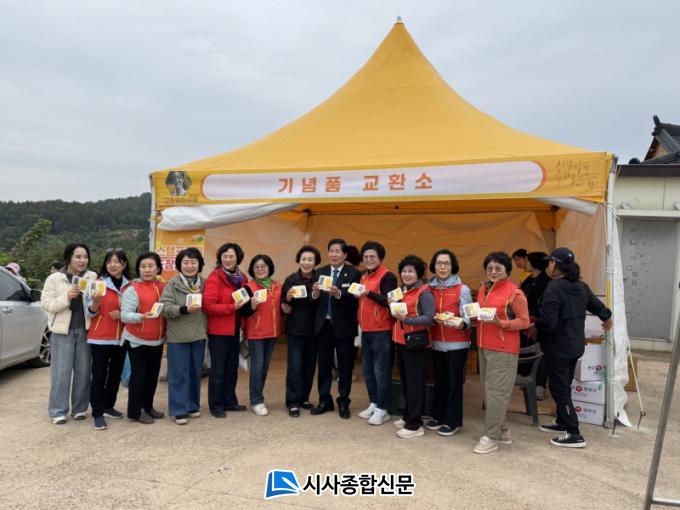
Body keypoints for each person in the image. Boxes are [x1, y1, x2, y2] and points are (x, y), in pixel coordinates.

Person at [533, 247, 612, 448]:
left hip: (558, 348)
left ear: (555, 265)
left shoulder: (553, 288)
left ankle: (574, 433)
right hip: (575, 346)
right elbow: (596, 306)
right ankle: (561, 421)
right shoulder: (580, 286)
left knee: (559, 389)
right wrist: (606, 317)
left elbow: (549, 323)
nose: (548, 265)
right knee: (564, 385)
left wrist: (535, 325)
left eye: (550, 262)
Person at [473, 251, 530, 454]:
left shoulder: (515, 293)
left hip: (504, 349)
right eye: (490, 268)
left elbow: (524, 321)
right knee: (488, 392)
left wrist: (501, 323)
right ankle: (503, 430)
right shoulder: (483, 289)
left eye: (498, 268)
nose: (494, 271)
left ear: (507, 270)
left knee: (497, 393)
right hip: (484, 345)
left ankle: (491, 436)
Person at [41, 243, 96, 424]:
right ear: (69, 258)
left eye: (85, 257)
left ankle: (80, 409)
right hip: (62, 332)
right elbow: (47, 304)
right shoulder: (55, 278)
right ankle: (58, 411)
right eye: (78, 257)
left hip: (85, 331)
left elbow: (93, 303)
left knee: (84, 372)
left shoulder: (91, 276)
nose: (82, 260)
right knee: (61, 373)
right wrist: (67, 297)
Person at [310, 238, 361, 419]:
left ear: (345, 255)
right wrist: (315, 293)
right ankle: (325, 400)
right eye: (331, 251)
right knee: (324, 365)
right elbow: (313, 302)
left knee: (345, 365)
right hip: (324, 325)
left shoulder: (354, 273)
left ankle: (343, 401)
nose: (333, 254)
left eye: (337, 251)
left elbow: (355, 299)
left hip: (344, 326)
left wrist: (338, 293)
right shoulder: (320, 272)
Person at [427, 249, 472, 437]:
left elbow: (470, 317)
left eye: (446, 263)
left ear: (453, 266)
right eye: (439, 263)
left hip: (457, 344)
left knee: (454, 383)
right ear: (434, 266)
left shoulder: (463, 289)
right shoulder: (428, 288)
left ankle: (452, 421)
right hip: (435, 342)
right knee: (439, 381)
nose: (442, 267)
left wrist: (462, 323)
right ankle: (438, 416)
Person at [203, 242, 251, 418]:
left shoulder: (242, 277)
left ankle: (230, 401)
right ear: (220, 258)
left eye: (231, 256)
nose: (228, 259)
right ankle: (216, 405)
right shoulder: (214, 278)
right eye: (225, 256)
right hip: (218, 331)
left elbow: (245, 302)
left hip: (235, 329)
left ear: (238, 258)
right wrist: (232, 307)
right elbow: (208, 306)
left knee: (232, 367)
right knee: (218, 369)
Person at [85, 249, 132, 430]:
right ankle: (97, 413)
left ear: (124, 264)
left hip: (122, 338)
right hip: (100, 338)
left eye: (117, 261)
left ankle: (108, 406)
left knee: (115, 375)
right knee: (99, 376)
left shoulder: (130, 286)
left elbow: (135, 309)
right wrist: (96, 302)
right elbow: (90, 312)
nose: (112, 265)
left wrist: (122, 314)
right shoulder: (98, 284)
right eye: (109, 261)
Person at [160, 247, 207, 425]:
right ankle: (179, 410)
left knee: (195, 372)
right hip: (178, 337)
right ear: (179, 265)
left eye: (193, 262)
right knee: (178, 374)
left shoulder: (205, 283)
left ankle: (193, 406)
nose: (189, 266)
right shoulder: (172, 284)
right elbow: (164, 308)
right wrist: (183, 309)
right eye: (185, 262)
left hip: (199, 335)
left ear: (199, 264)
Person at [390, 255, 435, 438]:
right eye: (404, 271)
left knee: (415, 384)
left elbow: (429, 318)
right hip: (401, 341)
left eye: (411, 271)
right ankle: (408, 415)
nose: (406, 274)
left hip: (416, 343)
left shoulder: (424, 292)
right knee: (407, 382)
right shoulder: (401, 291)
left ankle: (415, 424)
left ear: (419, 274)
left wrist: (406, 319)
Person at [354, 241, 397, 426]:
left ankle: (383, 408)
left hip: (382, 330)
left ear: (380, 258)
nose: (369, 259)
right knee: (368, 370)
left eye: (372, 256)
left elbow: (390, 301)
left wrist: (368, 293)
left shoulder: (388, 276)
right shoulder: (364, 276)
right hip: (366, 329)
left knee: (381, 371)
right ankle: (374, 402)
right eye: (365, 257)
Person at [120, 252, 166, 424]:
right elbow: (124, 315)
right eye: (143, 267)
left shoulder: (163, 286)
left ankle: (148, 407)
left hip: (157, 340)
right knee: (139, 376)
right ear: (138, 269)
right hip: (137, 340)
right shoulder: (133, 289)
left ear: (158, 269)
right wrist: (141, 316)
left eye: (150, 266)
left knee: (152, 376)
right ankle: (135, 412)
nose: (147, 270)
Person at [240, 254, 282, 416]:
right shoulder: (248, 287)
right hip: (256, 333)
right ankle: (256, 401)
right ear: (252, 270)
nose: (260, 269)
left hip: (273, 332)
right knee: (257, 367)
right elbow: (242, 311)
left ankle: (257, 398)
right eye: (256, 267)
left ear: (269, 268)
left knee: (264, 366)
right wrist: (251, 307)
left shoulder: (277, 286)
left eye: (263, 266)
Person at [281, 245, 321, 417]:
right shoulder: (291, 279)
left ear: (315, 262)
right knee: (295, 366)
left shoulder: (320, 279)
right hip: (296, 329)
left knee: (310, 366)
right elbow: (283, 305)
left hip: (315, 329)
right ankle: (292, 402)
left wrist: (317, 294)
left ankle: (304, 398)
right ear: (299, 260)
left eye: (310, 260)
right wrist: (287, 299)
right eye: (304, 259)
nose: (306, 263)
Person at [519, 251, 551, 398]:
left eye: (527, 261)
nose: (525, 263)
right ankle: (527, 379)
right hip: (525, 321)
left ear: (534, 263)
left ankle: (540, 385)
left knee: (540, 353)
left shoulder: (547, 281)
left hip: (538, 322)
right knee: (527, 350)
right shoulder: (528, 279)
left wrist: (536, 322)